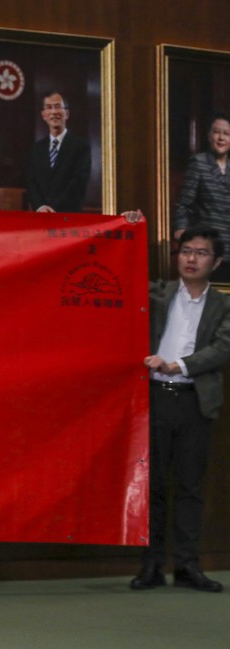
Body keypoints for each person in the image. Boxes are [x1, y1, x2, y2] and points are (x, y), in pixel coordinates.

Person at [131, 226, 230, 594]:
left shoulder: (223, 305)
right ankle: (151, 565)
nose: (191, 258)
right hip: (154, 398)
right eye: (186, 250)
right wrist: (127, 226)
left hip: (194, 402)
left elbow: (223, 348)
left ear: (216, 262)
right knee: (152, 485)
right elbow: (119, 280)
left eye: (201, 253)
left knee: (190, 486)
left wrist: (179, 365)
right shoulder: (157, 293)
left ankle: (188, 565)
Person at [25, 91, 91, 213]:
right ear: (44, 115)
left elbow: (78, 182)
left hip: (69, 217)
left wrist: (54, 208)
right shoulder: (36, 149)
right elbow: (31, 182)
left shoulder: (81, 146)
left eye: (58, 107)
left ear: (67, 113)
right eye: (49, 108)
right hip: (41, 217)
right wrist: (40, 207)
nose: (54, 112)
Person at [172, 112, 230, 249]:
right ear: (209, 136)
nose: (221, 138)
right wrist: (181, 229)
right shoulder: (199, 162)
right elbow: (183, 204)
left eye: (226, 134)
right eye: (216, 132)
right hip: (208, 243)